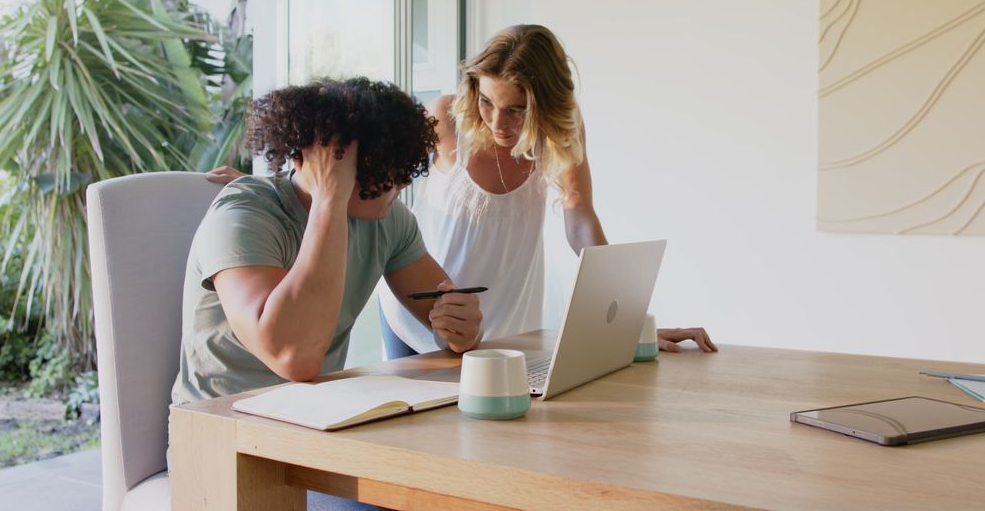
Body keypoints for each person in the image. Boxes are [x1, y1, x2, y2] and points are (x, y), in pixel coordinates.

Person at [207, 25, 715, 357]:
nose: (499, 122)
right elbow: (358, 163)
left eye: (517, 109)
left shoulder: (559, 138)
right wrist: (284, 184)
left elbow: (579, 218)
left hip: (495, 315)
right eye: (490, 102)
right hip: (417, 315)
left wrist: (625, 318)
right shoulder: (446, 121)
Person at [173, 77, 484, 405]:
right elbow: (294, 357)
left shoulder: (388, 222)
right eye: (387, 173)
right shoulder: (243, 216)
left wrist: (462, 329)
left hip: (315, 416)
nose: (402, 184)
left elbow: (447, 315)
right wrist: (329, 198)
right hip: (220, 426)